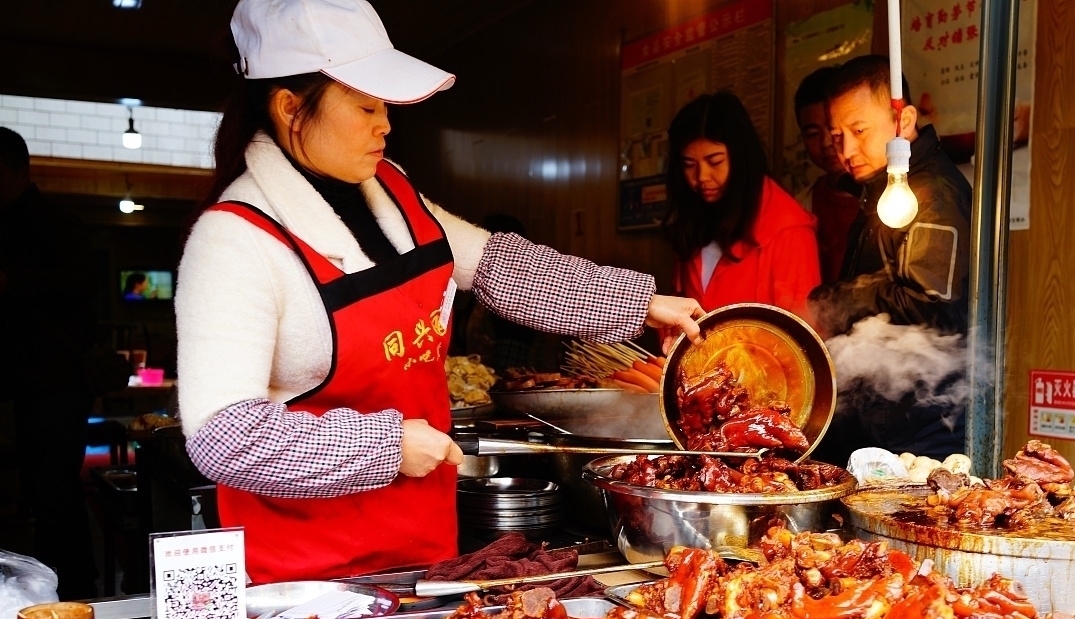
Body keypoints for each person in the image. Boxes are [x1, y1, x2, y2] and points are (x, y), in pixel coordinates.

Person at [176, 0, 704, 584]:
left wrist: (639, 304)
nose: (385, 124)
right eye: (366, 106)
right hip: (305, 575)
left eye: (385, 105)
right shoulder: (233, 240)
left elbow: (501, 267)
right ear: (289, 108)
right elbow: (224, 436)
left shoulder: (391, 188)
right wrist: (384, 448)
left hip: (425, 546)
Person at [808, 54, 973, 462]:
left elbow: (928, 303)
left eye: (859, 130)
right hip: (881, 421)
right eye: (837, 136)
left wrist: (836, 300)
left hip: (923, 429)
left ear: (904, 121)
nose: (846, 149)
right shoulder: (881, 190)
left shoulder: (932, 194)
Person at [0, 126, 99, 600]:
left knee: (54, 493)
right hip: (21, 381)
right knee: (34, 493)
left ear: (21, 173)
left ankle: (72, 596)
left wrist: (10, 281)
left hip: (53, 381)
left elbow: (82, 285)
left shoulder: (57, 223)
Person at [662, 91, 821, 323]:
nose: (702, 176)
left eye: (715, 161)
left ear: (741, 157)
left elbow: (799, 333)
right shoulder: (693, 218)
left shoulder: (788, 229)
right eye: (689, 164)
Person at [792, 67, 860, 284]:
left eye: (833, 130)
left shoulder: (893, 199)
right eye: (812, 134)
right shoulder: (801, 207)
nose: (826, 143)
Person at [448, 213, 539, 371]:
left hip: (499, 377)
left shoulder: (518, 297)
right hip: (474, 377)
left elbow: (511, 366)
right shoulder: (481, 289)